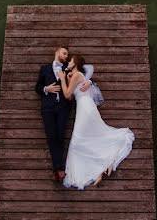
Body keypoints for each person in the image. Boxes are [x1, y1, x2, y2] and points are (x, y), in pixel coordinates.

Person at [58, 54, 135, 189]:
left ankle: (104, 164)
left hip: (85, 108)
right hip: (84, 107)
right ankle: (99, 170)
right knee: (88, 139)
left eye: (70, 60)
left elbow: (66, 94)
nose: (69, 62)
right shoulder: (76, 76)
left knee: (77, 142)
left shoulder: (77, 75)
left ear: (75, 63)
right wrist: (68, 78)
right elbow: (70, 97)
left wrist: (63, 78)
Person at [34, 46, 89, 182]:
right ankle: (58, 169)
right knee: (51, 137)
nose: (66, 56)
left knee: (60, 136)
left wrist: (89, 82)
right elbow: (37, 88)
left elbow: (84, 73)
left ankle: (58, 169)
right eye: (64, 53)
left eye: (67, 55)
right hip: (48, 108)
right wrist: (47, 88)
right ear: (56, 52)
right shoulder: (45, 69)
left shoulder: (68, 68)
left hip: (63, 108)